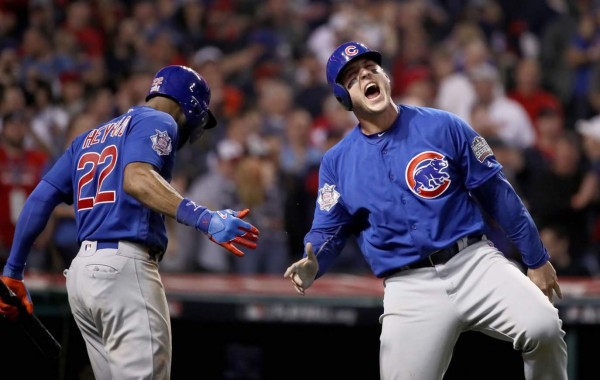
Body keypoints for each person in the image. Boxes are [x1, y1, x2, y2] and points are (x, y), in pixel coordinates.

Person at [283, 41, 568, 380]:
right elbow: (327, 230)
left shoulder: (444, 126)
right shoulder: (337, 162)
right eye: (352, 77)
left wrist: (535, 258)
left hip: (474, 263)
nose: (365, 76)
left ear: (386, 78)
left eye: (370, 69)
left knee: (544, 327)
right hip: (409, 287)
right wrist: (313, 262)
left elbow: (497, 194)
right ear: (344, 97)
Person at [0, 65, 260, 380]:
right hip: (125, 270)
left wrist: (13, 271)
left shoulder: (87, 138)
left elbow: (40, 200)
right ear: (190, 106)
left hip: (83, 275)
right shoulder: (159, 120)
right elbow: (136, 179)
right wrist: (204, 218)